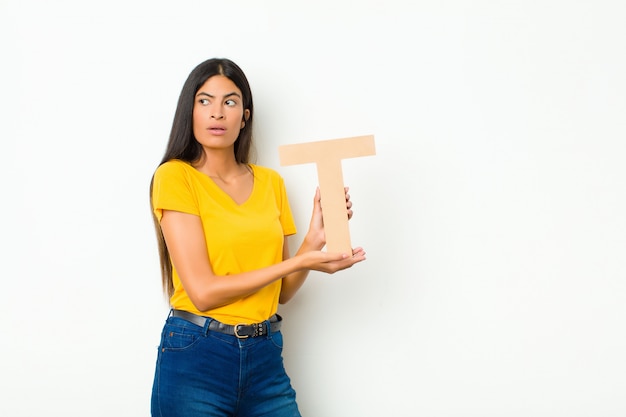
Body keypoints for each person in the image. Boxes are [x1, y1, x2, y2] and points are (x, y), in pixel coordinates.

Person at [149, 57, 366, 417]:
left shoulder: (270, 183)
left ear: (244, 115)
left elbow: (281, 292)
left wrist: (313, 241)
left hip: (265, 357)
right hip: (196, 357)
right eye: (205, 101)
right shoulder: (175, 177)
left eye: (229, 102)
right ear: (190, 112)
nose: (217, 113)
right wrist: (300, 260)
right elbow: (202, 293)